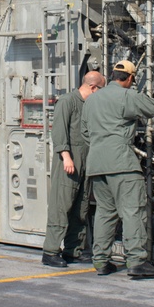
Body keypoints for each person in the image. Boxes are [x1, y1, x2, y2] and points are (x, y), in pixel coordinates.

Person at [82, 60, 154, 279]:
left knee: (105, 213)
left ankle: (100, 261)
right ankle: (136, 261)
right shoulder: (127, 96)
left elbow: (84, 132)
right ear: (129, 78)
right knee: (132, 210)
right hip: (121, 162)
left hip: (97, 163)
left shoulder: (92, 99)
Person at [42, 71, 107, 267]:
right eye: (101, 89)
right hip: (69, 161)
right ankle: (50, 251)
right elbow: (59, 131)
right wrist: (66, 156)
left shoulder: (90, 105)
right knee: (61, 206)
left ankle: (74, 250)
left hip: (86, 161)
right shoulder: (67, 101)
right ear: (93, 87)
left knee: (81, 206)